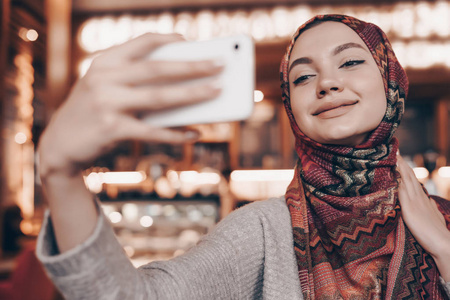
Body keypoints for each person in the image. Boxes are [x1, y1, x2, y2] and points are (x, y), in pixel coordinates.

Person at [36, 14, 450, 299]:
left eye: (352, 62)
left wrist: (444, 250)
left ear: (392, 79)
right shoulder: (264, 232)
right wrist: (60, 173)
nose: (326, 82)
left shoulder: (440, 219)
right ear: (291, 106)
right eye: (303, 76)